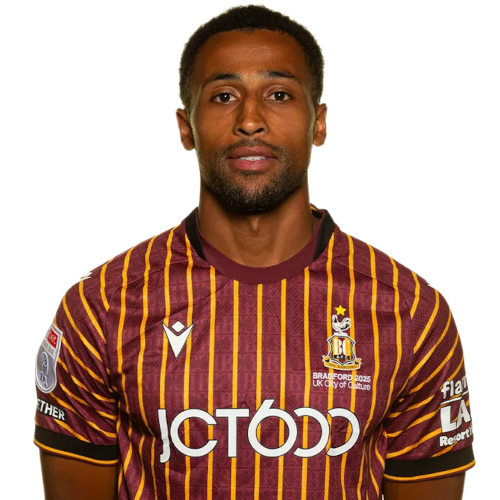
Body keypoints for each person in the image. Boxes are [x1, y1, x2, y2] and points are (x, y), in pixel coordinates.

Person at [32, 3, 476, 499]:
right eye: (224, 96)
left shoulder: (413, 313)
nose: (250, 120)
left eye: (278, 94)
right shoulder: (100, 308)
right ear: (185, 127)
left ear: (319, 124)